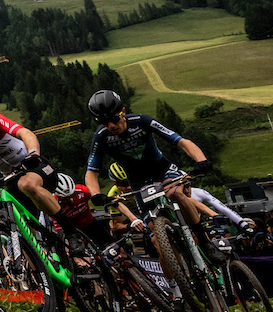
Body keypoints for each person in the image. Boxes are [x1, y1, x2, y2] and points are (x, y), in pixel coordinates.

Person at [82, 90, 214, 240]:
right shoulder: (101, 137)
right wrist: (96, 195)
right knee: (157, 238)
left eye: (114, 118)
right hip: (137, 181)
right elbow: (91, 172)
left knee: (174, 193)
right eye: (104, 122)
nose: (111, 125)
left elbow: (181, 142)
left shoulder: (141, 121)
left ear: (123, 111)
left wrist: (201, 160)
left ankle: (203, 240)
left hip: (162, 169)